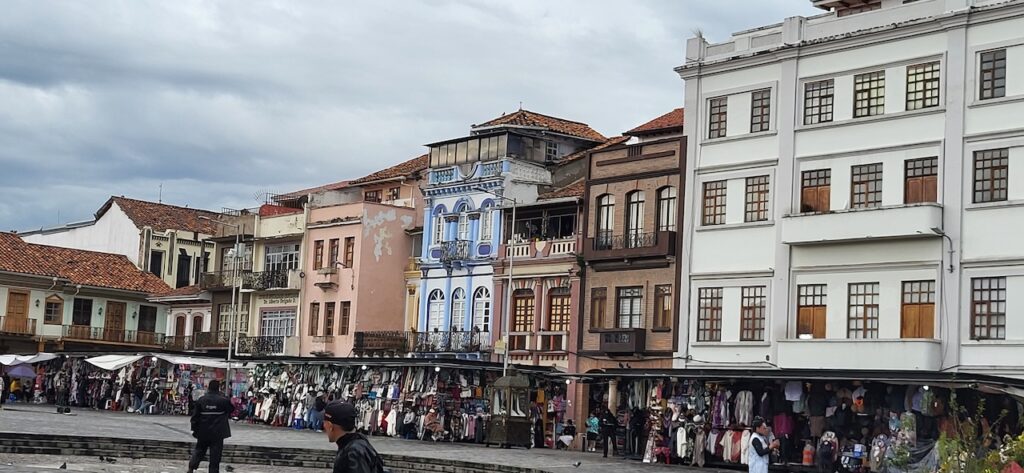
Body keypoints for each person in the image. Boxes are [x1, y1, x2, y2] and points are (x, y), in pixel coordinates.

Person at [323, 401, 385, 473]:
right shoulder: (358, 443)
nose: (324, 426)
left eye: (324, 423)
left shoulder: (352, 452)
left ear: (330, 426)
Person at [188, 380, 233, 473]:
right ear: (218, 388)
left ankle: (191, 467)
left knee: (199, 450)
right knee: (215, 455)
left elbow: (195, 416)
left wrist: (194, 429)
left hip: (203, 431)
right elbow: (231, 409)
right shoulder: (223, 400)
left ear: (208, 388)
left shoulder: (201, 400)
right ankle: (213, 471)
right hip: (218, 432)